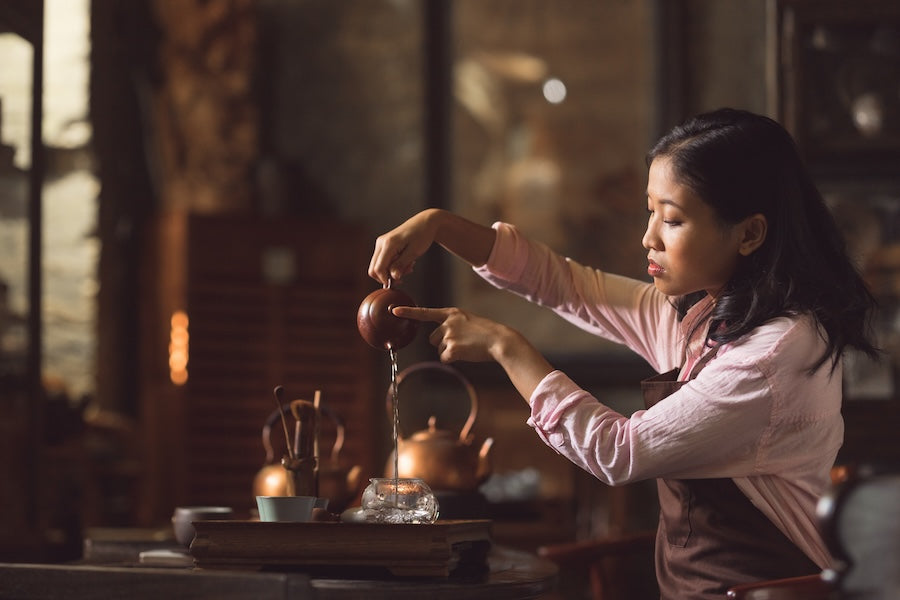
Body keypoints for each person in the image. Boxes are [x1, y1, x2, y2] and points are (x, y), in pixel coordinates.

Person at [367, 108, 879, 598]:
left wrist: (507, 347)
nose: (647, 237)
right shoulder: (707, 320)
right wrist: (439, 225)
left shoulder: (771, 356)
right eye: (650, 212)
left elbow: (619, 451)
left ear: (749, 233)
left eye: (672, 220)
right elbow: (566, 285)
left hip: (770, 593)